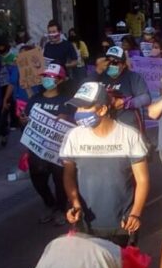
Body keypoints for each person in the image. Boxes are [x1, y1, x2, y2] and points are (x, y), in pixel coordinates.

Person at [60, 82, 150, 246]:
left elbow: (142, 180)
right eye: (77, 108)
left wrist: (135, 213)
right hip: (86, 224)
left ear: (102, 110)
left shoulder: (130, 136)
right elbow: (68, 175)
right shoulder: (73, 136)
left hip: (122, 224)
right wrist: (75, 204)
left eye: (84, 108)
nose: (78, 113)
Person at [21, 63, 74, 225]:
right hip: (37, 150)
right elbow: (26, 120)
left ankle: (61, 209)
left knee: (60, 181)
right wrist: (23, 120)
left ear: (59, 80)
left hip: (59, 150)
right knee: (38, 179)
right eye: (45, 76)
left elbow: (77, 123)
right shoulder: (35, 99)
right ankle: (50, 204)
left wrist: (67, 118)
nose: (46, 79)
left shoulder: (68, 101)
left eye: (50, 77)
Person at [93, 46, 151, 133]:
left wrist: (126, 103)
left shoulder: (133, 77)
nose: (111, 65)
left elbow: (146, 98)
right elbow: (81, 90)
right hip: (102, 124)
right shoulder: (99, 76)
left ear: (123, 65)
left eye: (115, 62)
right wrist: (97, 71)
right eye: (108, 61)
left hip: (126, 125)